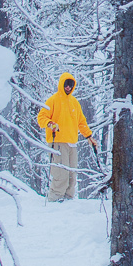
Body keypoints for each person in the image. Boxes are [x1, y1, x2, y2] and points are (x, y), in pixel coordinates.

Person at [37, 72, 98, 201]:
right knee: (60, 173)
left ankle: (68, 200)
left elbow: (81, 122)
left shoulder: (74, 102)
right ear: (61, 84)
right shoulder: (53, 100)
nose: (68, 87)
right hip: (58, 142)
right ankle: (55, 199)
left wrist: (89, 136)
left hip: (72, 143)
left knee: (72, 174)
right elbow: (41, 117)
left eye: (70, 85)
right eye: (66, 84)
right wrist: (50, 123)